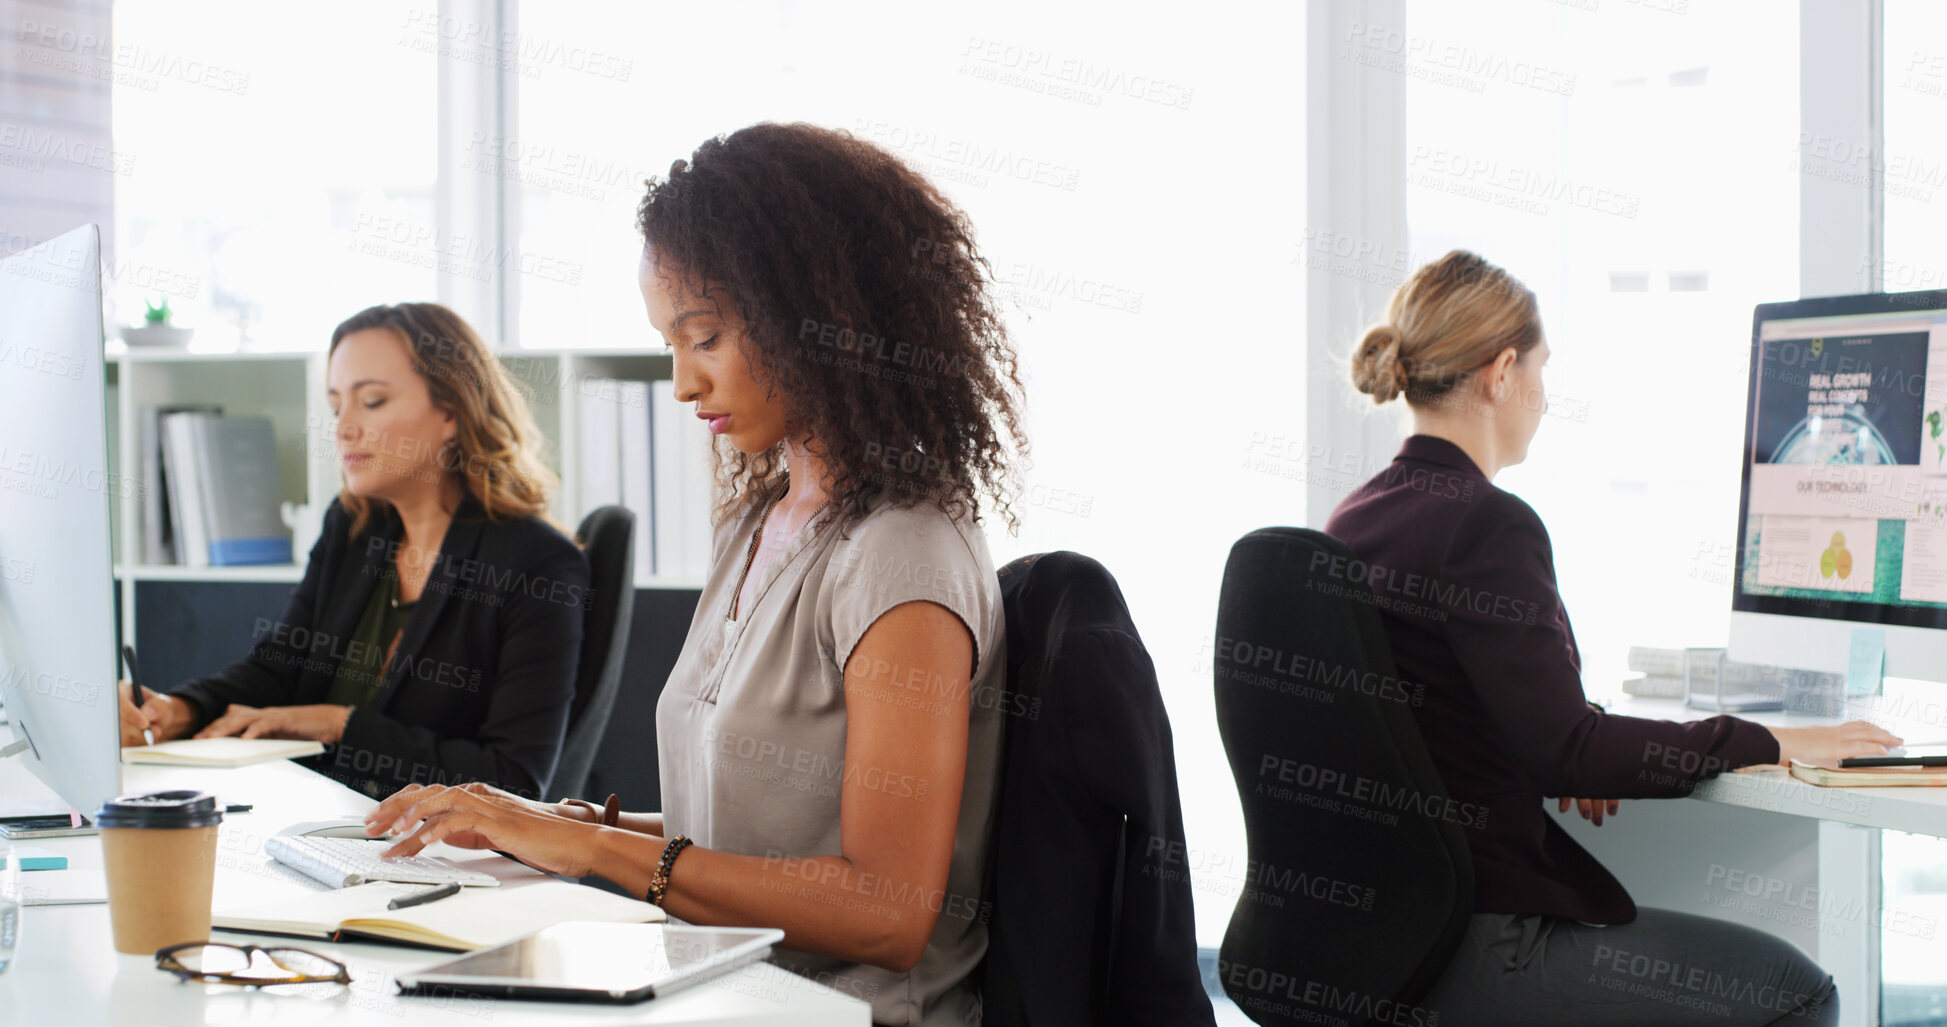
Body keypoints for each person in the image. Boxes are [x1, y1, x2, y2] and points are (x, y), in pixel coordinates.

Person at [361, 122, 1029, 1026]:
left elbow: (885, 912)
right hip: (719, 990)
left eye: (703, 337)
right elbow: (737, 842)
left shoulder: (900, 554)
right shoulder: (760, 521)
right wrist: (542, 824)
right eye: (669, 343)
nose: (680, 383)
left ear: (818, 320)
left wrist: (595, 852)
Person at [1325, 250, 1897, 1026]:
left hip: (1381, 938)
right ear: (1499, 374)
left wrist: (1561, 729)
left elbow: (1444, 707)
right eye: (1539, 370)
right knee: (1796, 992)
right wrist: (1774, 739)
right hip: (1483, 947)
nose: (1543, 397)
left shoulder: (1355, 518)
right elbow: (1570, 754)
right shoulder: (1485, 523)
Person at [118, 303, 590, 801]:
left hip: (443, 859)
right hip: (322, 823)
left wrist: (338, 724)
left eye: (373, 401)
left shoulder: (537, 563)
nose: (343, 428)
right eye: (336, 405)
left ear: (452, 411)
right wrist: (178, 709)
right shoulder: (354, 528)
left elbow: (514, 780)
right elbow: (278, 669)